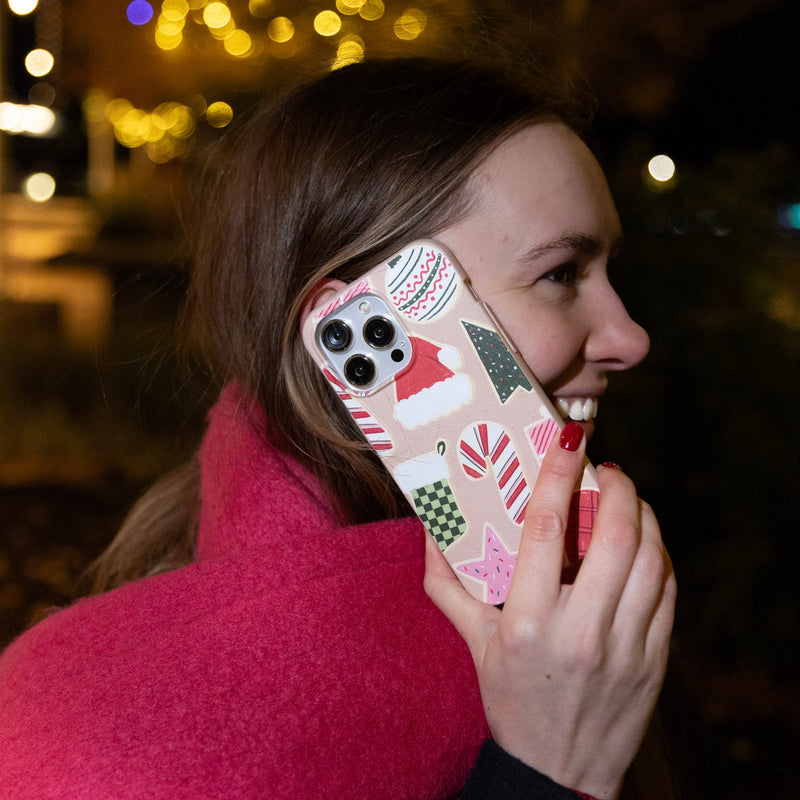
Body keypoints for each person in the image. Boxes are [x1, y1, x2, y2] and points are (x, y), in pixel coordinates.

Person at [0, 58, 677, 799]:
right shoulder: (84, 741)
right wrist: (550, 773)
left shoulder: (585, 629)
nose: (630, 336)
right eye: (561, 274)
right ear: (360, 320)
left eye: (610, 270)